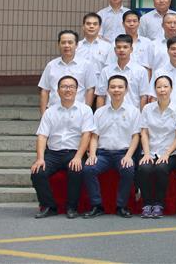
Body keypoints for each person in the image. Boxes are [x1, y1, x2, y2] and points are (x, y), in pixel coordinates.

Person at [30, 76, 95, 219]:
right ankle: (49, 206)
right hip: (53, 153)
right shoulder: (50, 112)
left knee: (76, 169)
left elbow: (86, 135)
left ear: (77, 90)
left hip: (74, 152)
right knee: (37, 172)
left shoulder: (85, 110)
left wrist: (78, 157)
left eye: (71, 87)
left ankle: (72, 207)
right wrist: (40, 158)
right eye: (64, 86)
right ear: (58, 90)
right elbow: (42, 136)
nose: (68, 89)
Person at [81, 75, 142, 219]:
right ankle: (97, 205)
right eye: (113, 87)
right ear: (108, 90)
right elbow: (94, 136)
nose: (116, 90)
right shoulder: (100, 112)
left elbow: (136, 137)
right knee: (89, 169)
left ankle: (121, 206)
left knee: (128, 169)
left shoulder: (133, 111)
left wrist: (129, 156)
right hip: (103, 154)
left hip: (123, 153)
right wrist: (92, 155)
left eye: (120, 87)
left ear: (126, 90)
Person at [137, 75, 176, 219]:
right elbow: (144, 133)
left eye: (165, 86)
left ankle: (159, 204)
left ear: (171, 89)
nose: (162, 90)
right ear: (155, 90)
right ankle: (147, 204)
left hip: (172, 153)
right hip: (150, 151)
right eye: (159, 87)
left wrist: (167, 154)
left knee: (161, 168)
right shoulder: (147, 109)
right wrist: (146, 153)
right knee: (144, 168)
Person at [38, 30, 96, 115]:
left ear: (76, 45)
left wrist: (86, 112)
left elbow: (90, 90)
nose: (67, 45)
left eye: (70, 42)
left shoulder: (86, 65)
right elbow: (44, 90)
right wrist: (44, 115)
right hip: (54, 112)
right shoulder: (51, 65)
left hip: (78, 113)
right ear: (58, 44)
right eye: (63, 42)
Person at [95, 34, 150, 110]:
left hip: (132, 114)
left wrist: (141, 115)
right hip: (110, 113)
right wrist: (100, 114)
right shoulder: (106, 71)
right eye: (119, 47)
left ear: (131, 49)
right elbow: (101, 96)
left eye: (125, 47)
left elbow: (143, 96)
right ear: (115, 50)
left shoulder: (141, 71)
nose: (121, 50)